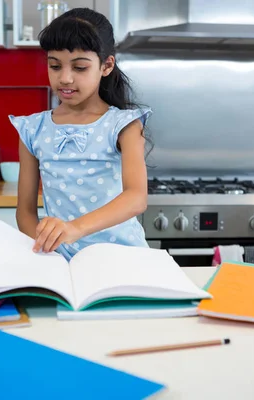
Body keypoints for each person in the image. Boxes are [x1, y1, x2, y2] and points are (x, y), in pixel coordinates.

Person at [9, 8, 152, 261]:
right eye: (55, 66)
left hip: (123, 258)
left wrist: (74, 229)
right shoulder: (32, 129)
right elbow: (25, 213)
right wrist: (48, 251)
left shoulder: (124, 124)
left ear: (106, 65)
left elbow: (136, 198)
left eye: (80, 67)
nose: (65, 78)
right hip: (61, 262)